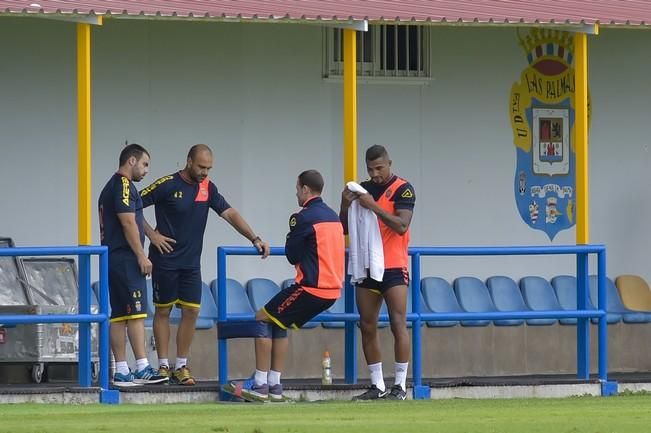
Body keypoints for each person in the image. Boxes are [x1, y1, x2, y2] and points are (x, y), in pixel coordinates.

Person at [140, 144, 270, 385]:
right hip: (165, 260)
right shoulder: (167, 184)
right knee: (163, 311)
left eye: (209, 168)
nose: (205, 172)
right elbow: (133, 205)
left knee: (192, 311)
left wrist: (255, 238)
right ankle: (163, 366)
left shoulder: (207, 188)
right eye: (201, 167)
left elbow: (230, 213)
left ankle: (181, 366)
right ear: (189, 161)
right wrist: (152, 235)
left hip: (191, 263)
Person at [225, 169, 344, 401]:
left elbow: (292, 254)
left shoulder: (302, 216)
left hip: (310, 287)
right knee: (278, 323)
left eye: (297, 189)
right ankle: (275, 385)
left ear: (305, 189)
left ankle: (259, 383)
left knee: (261, 318)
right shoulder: (333, 217)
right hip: (333, 290)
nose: (296, 194)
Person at [339, 145, 416, 400]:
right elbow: (343, 227)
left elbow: (402, 226)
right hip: (367, 264)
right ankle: (377, 385)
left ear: (389, 163)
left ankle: (401, 386)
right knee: (367, 324)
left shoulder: (403, 188)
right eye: (370, 169)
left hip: (393, 264)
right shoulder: (363, 189)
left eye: (379, 168)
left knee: (397, 323)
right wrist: (344, 205)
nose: (375, 174)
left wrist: (373, 206)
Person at [98, 143, 169, 386]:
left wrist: (149, 235)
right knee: (136, 314)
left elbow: (136, 218)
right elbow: (128, 222)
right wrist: (141, 254)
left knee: (119, 315)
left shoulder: (112, 186)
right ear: (131, 161)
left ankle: (120, 369)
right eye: (145, 164)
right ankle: (142, 367)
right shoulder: (124, 185)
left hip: (114, 258)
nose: (146, 170)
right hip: (126, 258)